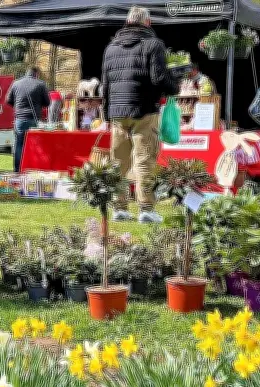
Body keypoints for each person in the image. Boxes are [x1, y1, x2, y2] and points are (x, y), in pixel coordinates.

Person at [102, 6, 177, 224]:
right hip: (144, 110)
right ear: (148, 22)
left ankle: (120, 208)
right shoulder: (153, 44)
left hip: (117, 111)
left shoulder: (111, 48)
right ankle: (146, 208)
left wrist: (106, 112)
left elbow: (105, 84)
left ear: (127, 22)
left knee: (119, 162)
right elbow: (159, 79)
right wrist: (175, 85)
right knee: (144, 160)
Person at [6, 67, 50, 172]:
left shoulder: (16, 83)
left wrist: (17, 106)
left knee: (19, 144)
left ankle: (18, 170)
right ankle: (33, 168)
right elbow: (47, 103)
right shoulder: (40, 84)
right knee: (35, 145)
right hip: (34, 119)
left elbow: (8, 100)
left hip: (20, 119)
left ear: (26, 73)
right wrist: (38, 104)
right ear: (36, 74)